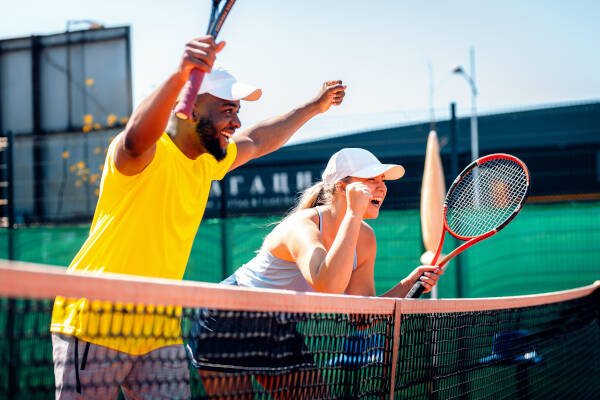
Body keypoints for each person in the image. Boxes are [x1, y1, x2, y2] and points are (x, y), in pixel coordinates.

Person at [49, 35, 346, 400]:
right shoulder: (146, 153)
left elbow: (259, 140)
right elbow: (134, 139)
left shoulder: (208, 163)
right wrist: (179, 75)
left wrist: (313, 107)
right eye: (227, 110)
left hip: (158, 329)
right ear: (190, 109)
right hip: (95, 320)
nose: (236, 122)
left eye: (237, 111)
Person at [189, 147, 444, 398]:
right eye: (370, 179)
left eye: (382, 180)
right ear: (342, 188)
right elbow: (328, 285)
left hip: (279, 326)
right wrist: (353, 215)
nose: (381, 187)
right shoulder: (302, 226)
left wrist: (410, 283)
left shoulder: (365, 238)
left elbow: (363, 316)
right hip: (225, 318)